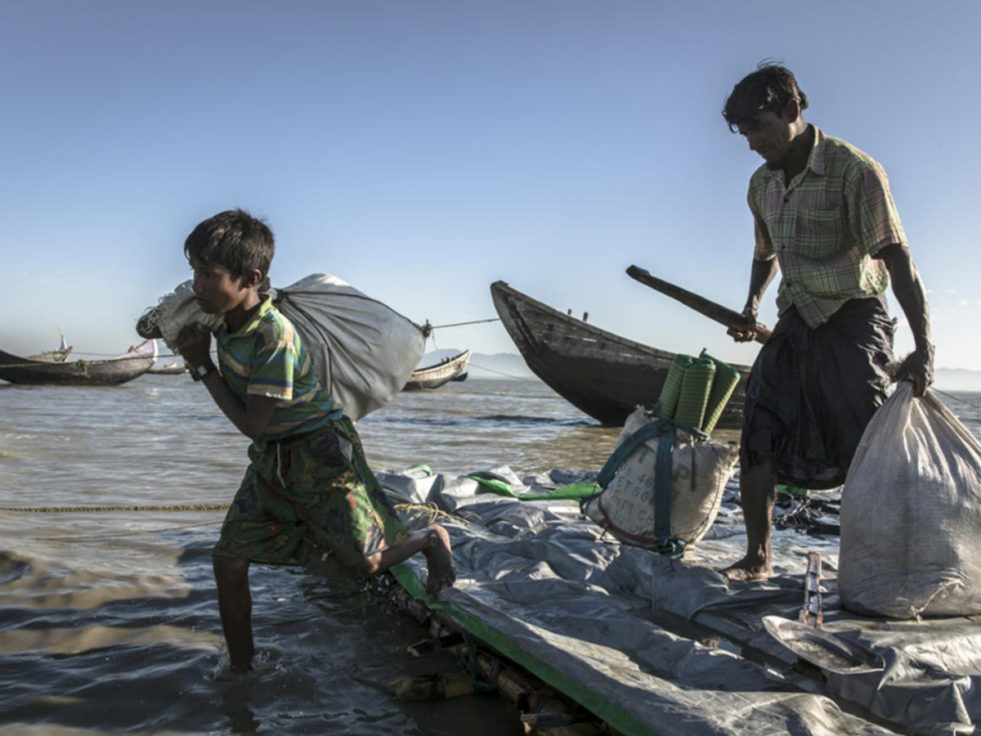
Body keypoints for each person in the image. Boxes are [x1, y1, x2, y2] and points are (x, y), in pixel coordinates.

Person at [139, 209, 455, 672]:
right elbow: (151, 326)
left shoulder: (274, 337)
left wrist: (200, 364)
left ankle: (431, 538)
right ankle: (242, 672)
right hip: (274, 457)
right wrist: (167, 318)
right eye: (194, 273)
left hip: (321, 452)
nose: (198, 285)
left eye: (208, 274)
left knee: (366, 564)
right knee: (228, 562)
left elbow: (253, 424)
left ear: (251, 278)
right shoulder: (216, 311)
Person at [720, 65, 933, 581]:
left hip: (853, 317)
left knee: (866, 442)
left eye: (759, 126)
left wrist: (924, 345)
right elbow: (765, 251)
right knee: (759, 429)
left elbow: (898, 259)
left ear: (793, 111)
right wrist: (751, 305)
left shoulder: (854, 171)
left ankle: (881, 564)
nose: (752, 143)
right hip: (795, 317)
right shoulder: (761, 183)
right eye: (744, 133)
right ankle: (758, 556)